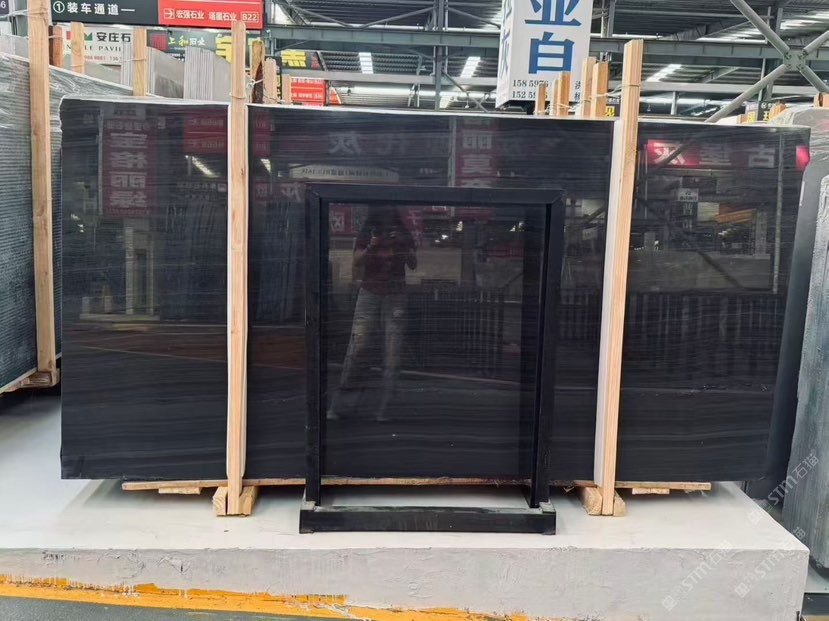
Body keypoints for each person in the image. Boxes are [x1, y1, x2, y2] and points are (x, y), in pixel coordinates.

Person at [328, 206, 417, 422]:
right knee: (358, 347)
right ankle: (343, 407)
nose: (387, 218)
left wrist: (402, 246)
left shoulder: (402, 234)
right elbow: (357, 261)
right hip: (371, 291)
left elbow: (413, 264)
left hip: (394, 293)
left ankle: (385, 409)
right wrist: (372, 245)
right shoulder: (369, 232)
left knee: (392, 353)